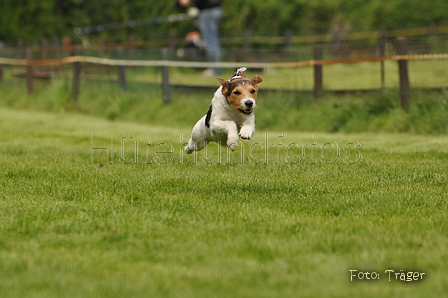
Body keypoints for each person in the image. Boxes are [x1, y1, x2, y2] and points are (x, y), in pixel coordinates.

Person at [177, 0, 223, 76]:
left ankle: (215, 70)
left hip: (208, 11)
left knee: (211, 42)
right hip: (212, 10)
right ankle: (215, 68)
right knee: (212, 41)